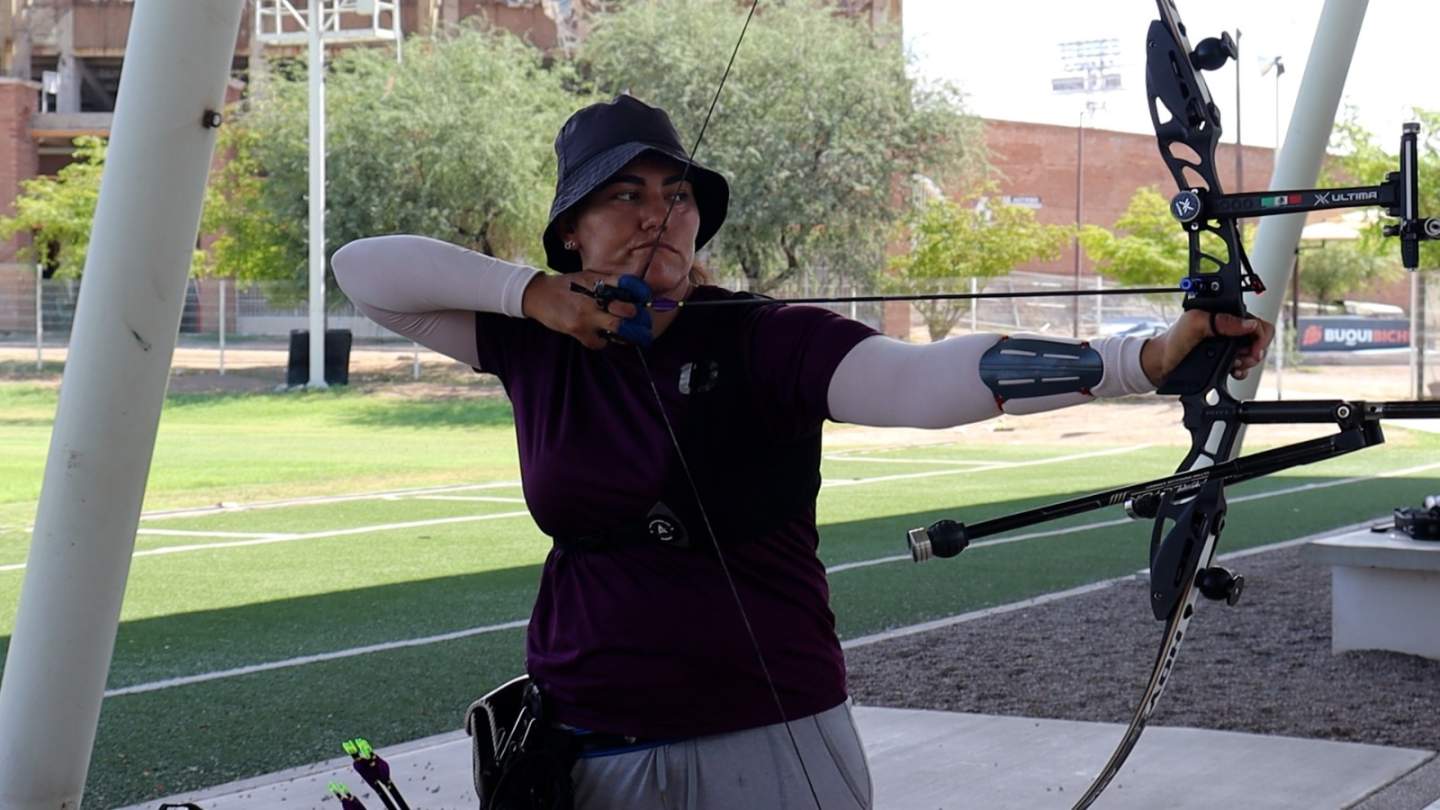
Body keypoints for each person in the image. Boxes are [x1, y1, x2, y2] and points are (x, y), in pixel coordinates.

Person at [332, 94, 1273, 810]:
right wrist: (531, 295)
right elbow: (364, 271)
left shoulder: (764, 337)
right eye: (625, 196)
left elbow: (920, 379)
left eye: (677, 195)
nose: (659, 215)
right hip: (587, 741)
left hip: (765, 735)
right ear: (571, 229)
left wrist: (1138, 359)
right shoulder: (533, 344)